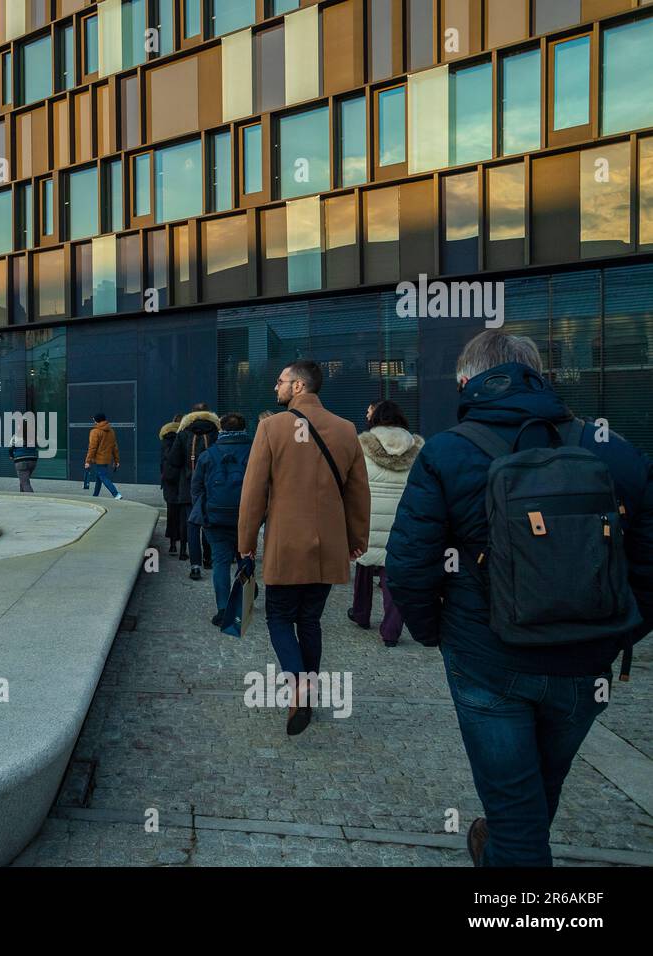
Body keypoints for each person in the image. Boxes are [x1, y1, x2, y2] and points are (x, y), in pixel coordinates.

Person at [386, 331, 652, 867]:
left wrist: (439, 633)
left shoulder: (448, 450)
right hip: (584, 665)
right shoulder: (611, 448)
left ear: (467, 382)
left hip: (488, 661)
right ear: (540, 375)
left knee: (514, 811)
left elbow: (409, 566)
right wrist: (617, 631)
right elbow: (647, 564)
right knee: (539, 792)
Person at [237, 361, 370, 736]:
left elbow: (253, 494)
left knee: (279, 619)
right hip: (329, 545)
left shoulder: (271, 428)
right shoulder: (346, 430)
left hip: (285, 545)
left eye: (279, 382)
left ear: (297, 386)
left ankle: (298, 688)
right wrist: (357, 540)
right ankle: (306, 692)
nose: (275, 388)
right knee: (309, 620)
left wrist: (246, 543)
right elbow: (359, 494)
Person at [348, 400, 423, 647]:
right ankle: (391, 631)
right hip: (402, 517)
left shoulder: (363, 443)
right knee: (393, 573)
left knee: (364, 562)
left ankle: (360, 613)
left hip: (369, 514)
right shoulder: (416, 447)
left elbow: (354, 481)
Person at [191, 413, 253, 626]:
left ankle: (223, 609)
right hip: (246, 517)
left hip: (215, 517)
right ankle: (246, 599)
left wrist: (204, 511)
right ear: (245, 428)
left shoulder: (209, 454)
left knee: (220, 562)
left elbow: (196, 487)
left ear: (221, 430)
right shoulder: (255, 451)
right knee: (246, 558)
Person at [168, 403, 221, 577]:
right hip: (212, 485)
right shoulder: (216, 432)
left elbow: (174, 460)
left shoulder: (183, 433)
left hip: (188, 484)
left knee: (192, 524)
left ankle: (195, 565)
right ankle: (208, 558)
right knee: (208, 522)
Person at [84, 413, 123, 500]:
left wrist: (88, 461)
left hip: (98, 459)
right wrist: (117, 460)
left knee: (103, 477)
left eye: (94, 420)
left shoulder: (95, 431)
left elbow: (92, 448)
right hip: (107, 458)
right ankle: (95, 496)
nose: (94, 422)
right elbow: (114, 447)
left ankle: (116, 494)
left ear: (97, 421)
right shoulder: (111, 431)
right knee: (99, 477)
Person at [160, 416, 184, 554]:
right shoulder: (185, 437)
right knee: (183, 514)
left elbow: (161, 463)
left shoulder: (165, 440)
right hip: (182, 481)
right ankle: (183, 548)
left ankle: (172, 543)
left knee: (171, 512)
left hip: (169, 481)